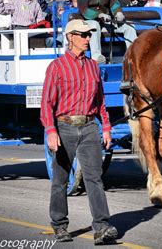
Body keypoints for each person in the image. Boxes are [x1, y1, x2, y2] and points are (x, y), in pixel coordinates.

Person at [40, 19, 118, 245]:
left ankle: (102, 227)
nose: (87, 39)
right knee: (61, 180)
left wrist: (105, 127)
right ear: (70, 37)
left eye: (88, 35)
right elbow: (46, 103)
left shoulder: (93, 66)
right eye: (83, 35)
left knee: (95, 178)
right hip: (64, 127)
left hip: (89, 127)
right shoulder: (57, 67)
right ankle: (60, 225)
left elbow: (100, 101)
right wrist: (51, 131)